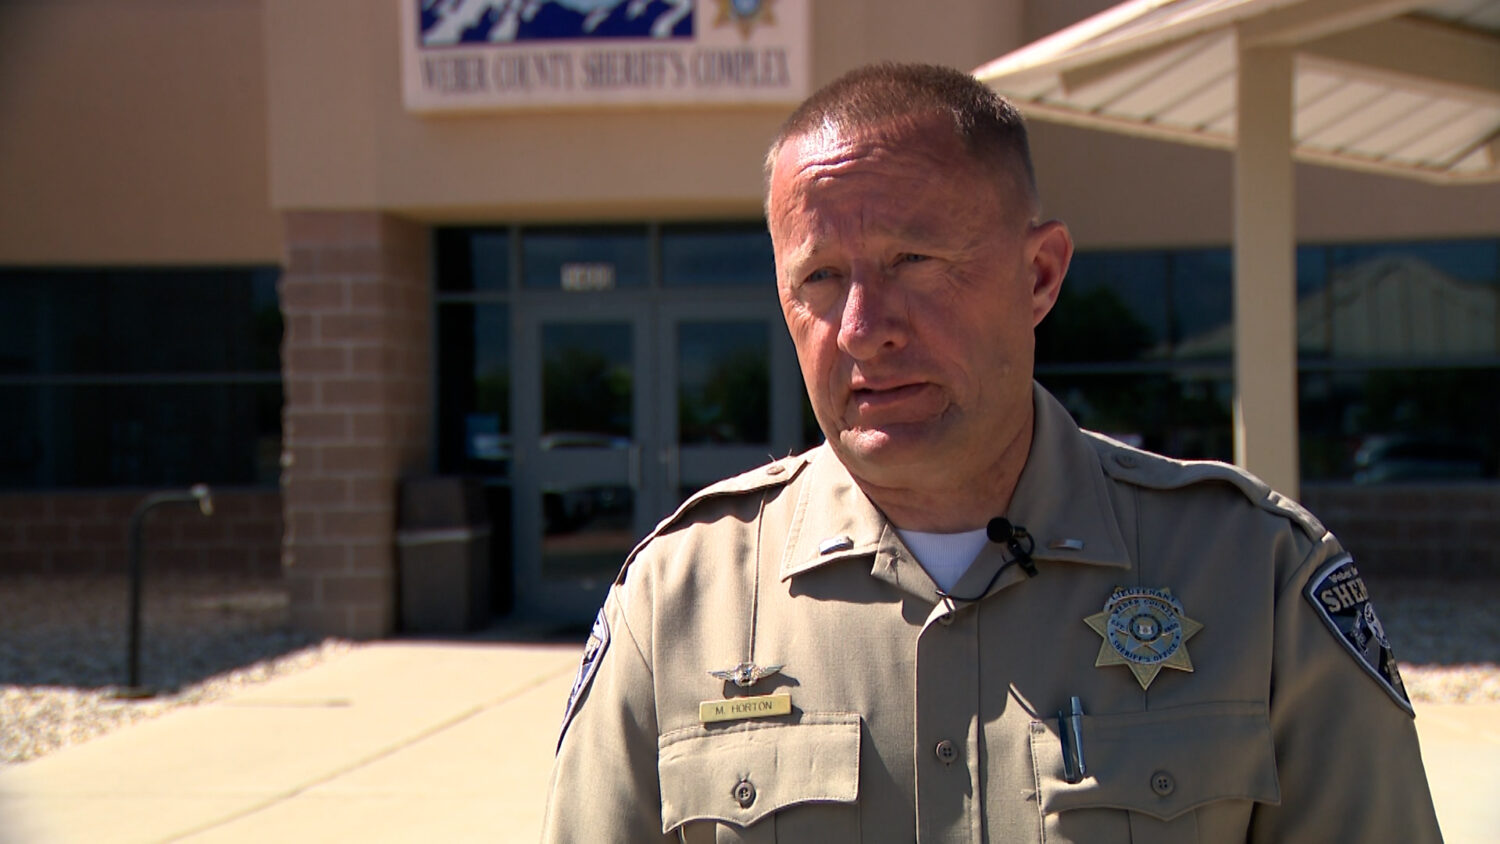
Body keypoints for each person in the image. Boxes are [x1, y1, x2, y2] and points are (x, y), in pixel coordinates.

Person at [542, 62, 1442, 843]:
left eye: (915, 260)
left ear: (1040, 275)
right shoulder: (679, 601)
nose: (863, 329)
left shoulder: (1255, 575)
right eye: (820, 278)